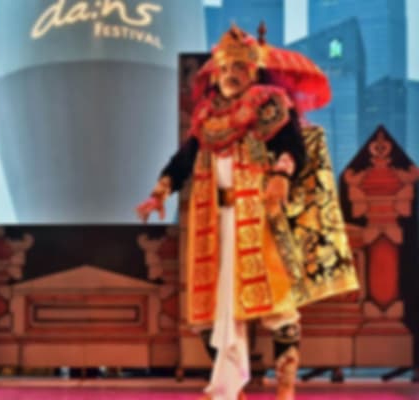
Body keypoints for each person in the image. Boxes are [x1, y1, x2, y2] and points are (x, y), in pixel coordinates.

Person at [137, 25, 358, 400]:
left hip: (259, 216)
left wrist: (281, 175)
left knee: (278, 308)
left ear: (252, 70)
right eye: (224, 68)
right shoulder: (207, 115)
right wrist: (161, 190)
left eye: (238, 67)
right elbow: (185, 159)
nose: (230, 75)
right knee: (208, 312)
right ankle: (229, 388)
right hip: (213, 222)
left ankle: (285, 388)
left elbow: (292, 144)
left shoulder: (268, 103)